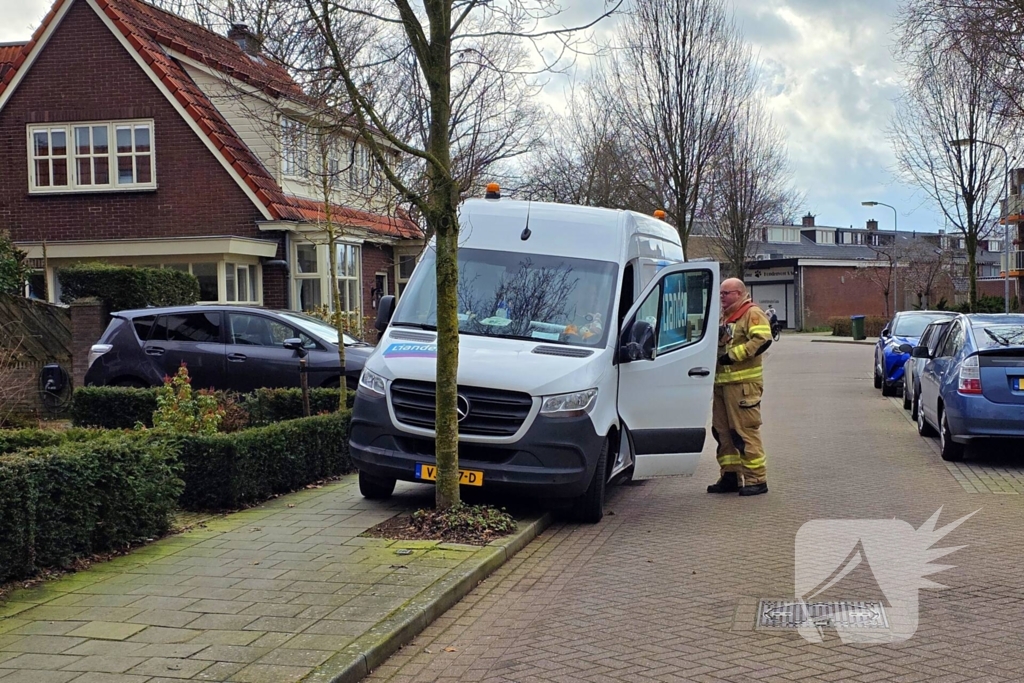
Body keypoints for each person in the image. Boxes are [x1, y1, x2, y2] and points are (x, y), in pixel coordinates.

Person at [708, 278, 772, 496]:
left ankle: (756, 479)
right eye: (721, 294)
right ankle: (730, 476)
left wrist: (733, 356)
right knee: (722, 432)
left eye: (726, 293)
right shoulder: (725, 317)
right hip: (723, 386)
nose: (722, 297)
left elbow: (763, 339)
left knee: (744, 433)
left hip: (743, 386)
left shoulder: (752, 313)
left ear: (739, 293)